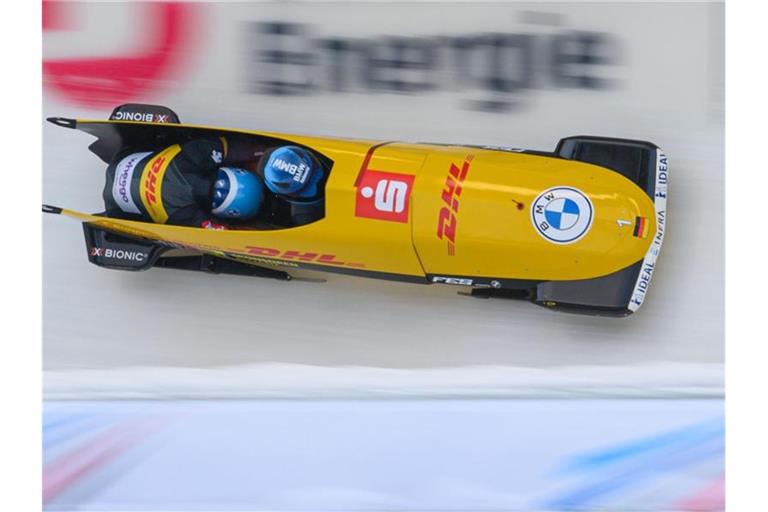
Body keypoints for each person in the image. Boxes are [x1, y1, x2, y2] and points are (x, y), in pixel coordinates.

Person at [104, 137, 266, 229]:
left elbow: (233, 150)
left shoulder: (196, 155)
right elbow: (229, 234)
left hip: (124, 156)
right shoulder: (186, 213)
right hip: (116, 207)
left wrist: (265, 152)